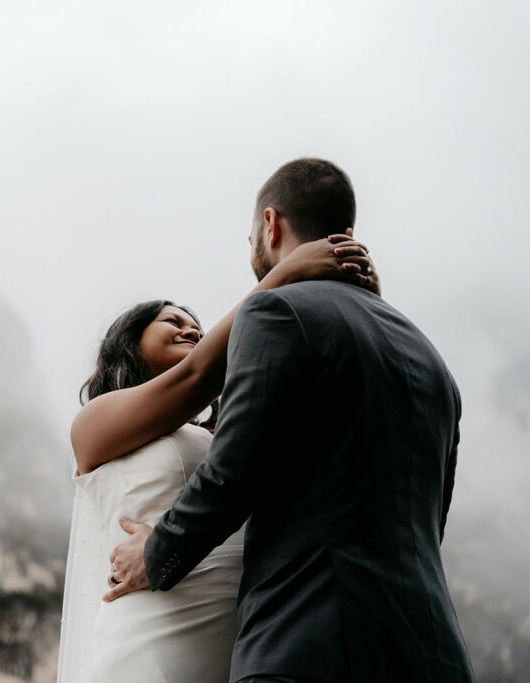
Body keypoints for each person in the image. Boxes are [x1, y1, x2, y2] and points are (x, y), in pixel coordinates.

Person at [106, 158, 475, 682]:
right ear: (347, 234)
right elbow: (429, 522)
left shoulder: (275, 313)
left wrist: (156, 553)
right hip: (435, 657)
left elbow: (233, 471)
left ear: (270, 225)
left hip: (311, 647)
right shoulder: (431, 359)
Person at [57, 227, 378, 681]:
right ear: (129, 340)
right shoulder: (93, 425)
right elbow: (198, 376)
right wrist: (286, 272)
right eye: (172, 321)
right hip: (157, 632)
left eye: (197, 327)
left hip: (246, 635)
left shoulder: (222, 433)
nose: (190, 329)